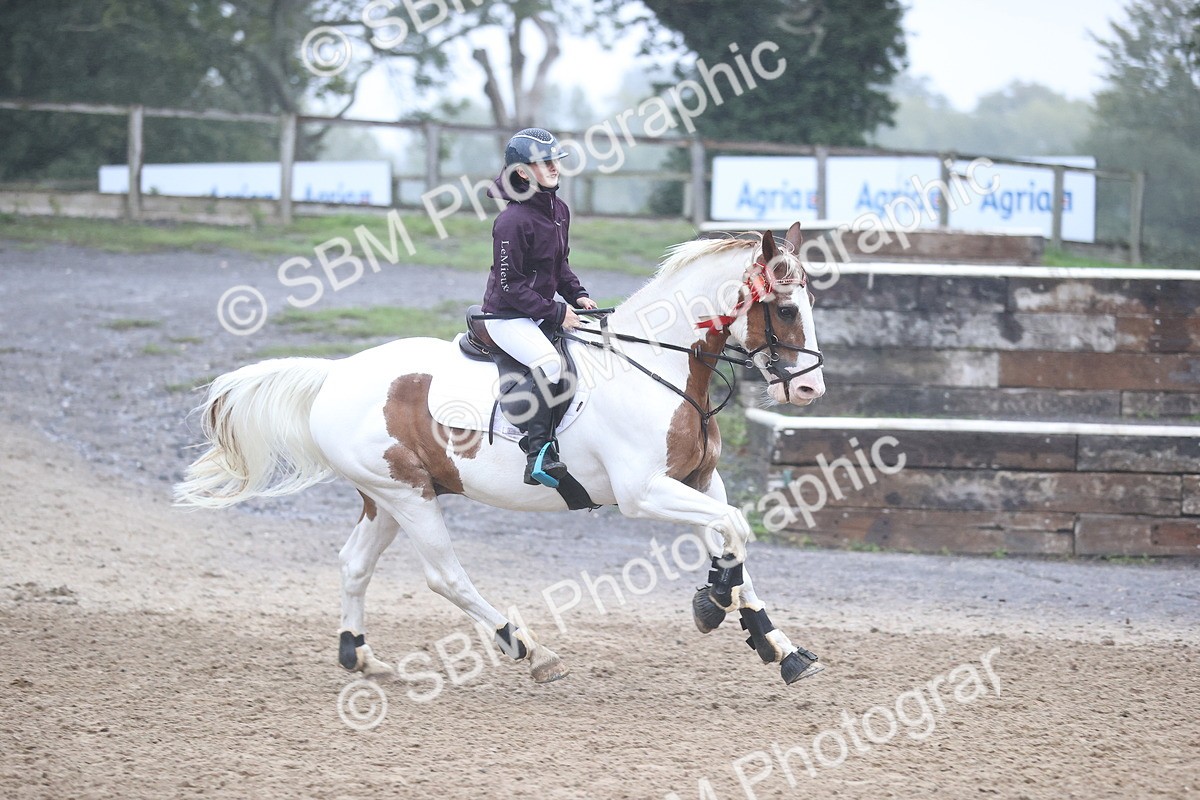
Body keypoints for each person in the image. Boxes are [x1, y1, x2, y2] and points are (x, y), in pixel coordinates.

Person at [481, 128, 598, 487]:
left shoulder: (559, 210)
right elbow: (509, 286)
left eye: (555, 161)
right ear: (522, 172)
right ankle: (539, 454)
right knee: (549, 363)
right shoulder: (511, 221)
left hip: (538, 313)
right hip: (506, 316)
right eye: (544, 162)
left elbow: (559, 266)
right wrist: (558, 312)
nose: (554, 168)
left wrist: (577, 295)